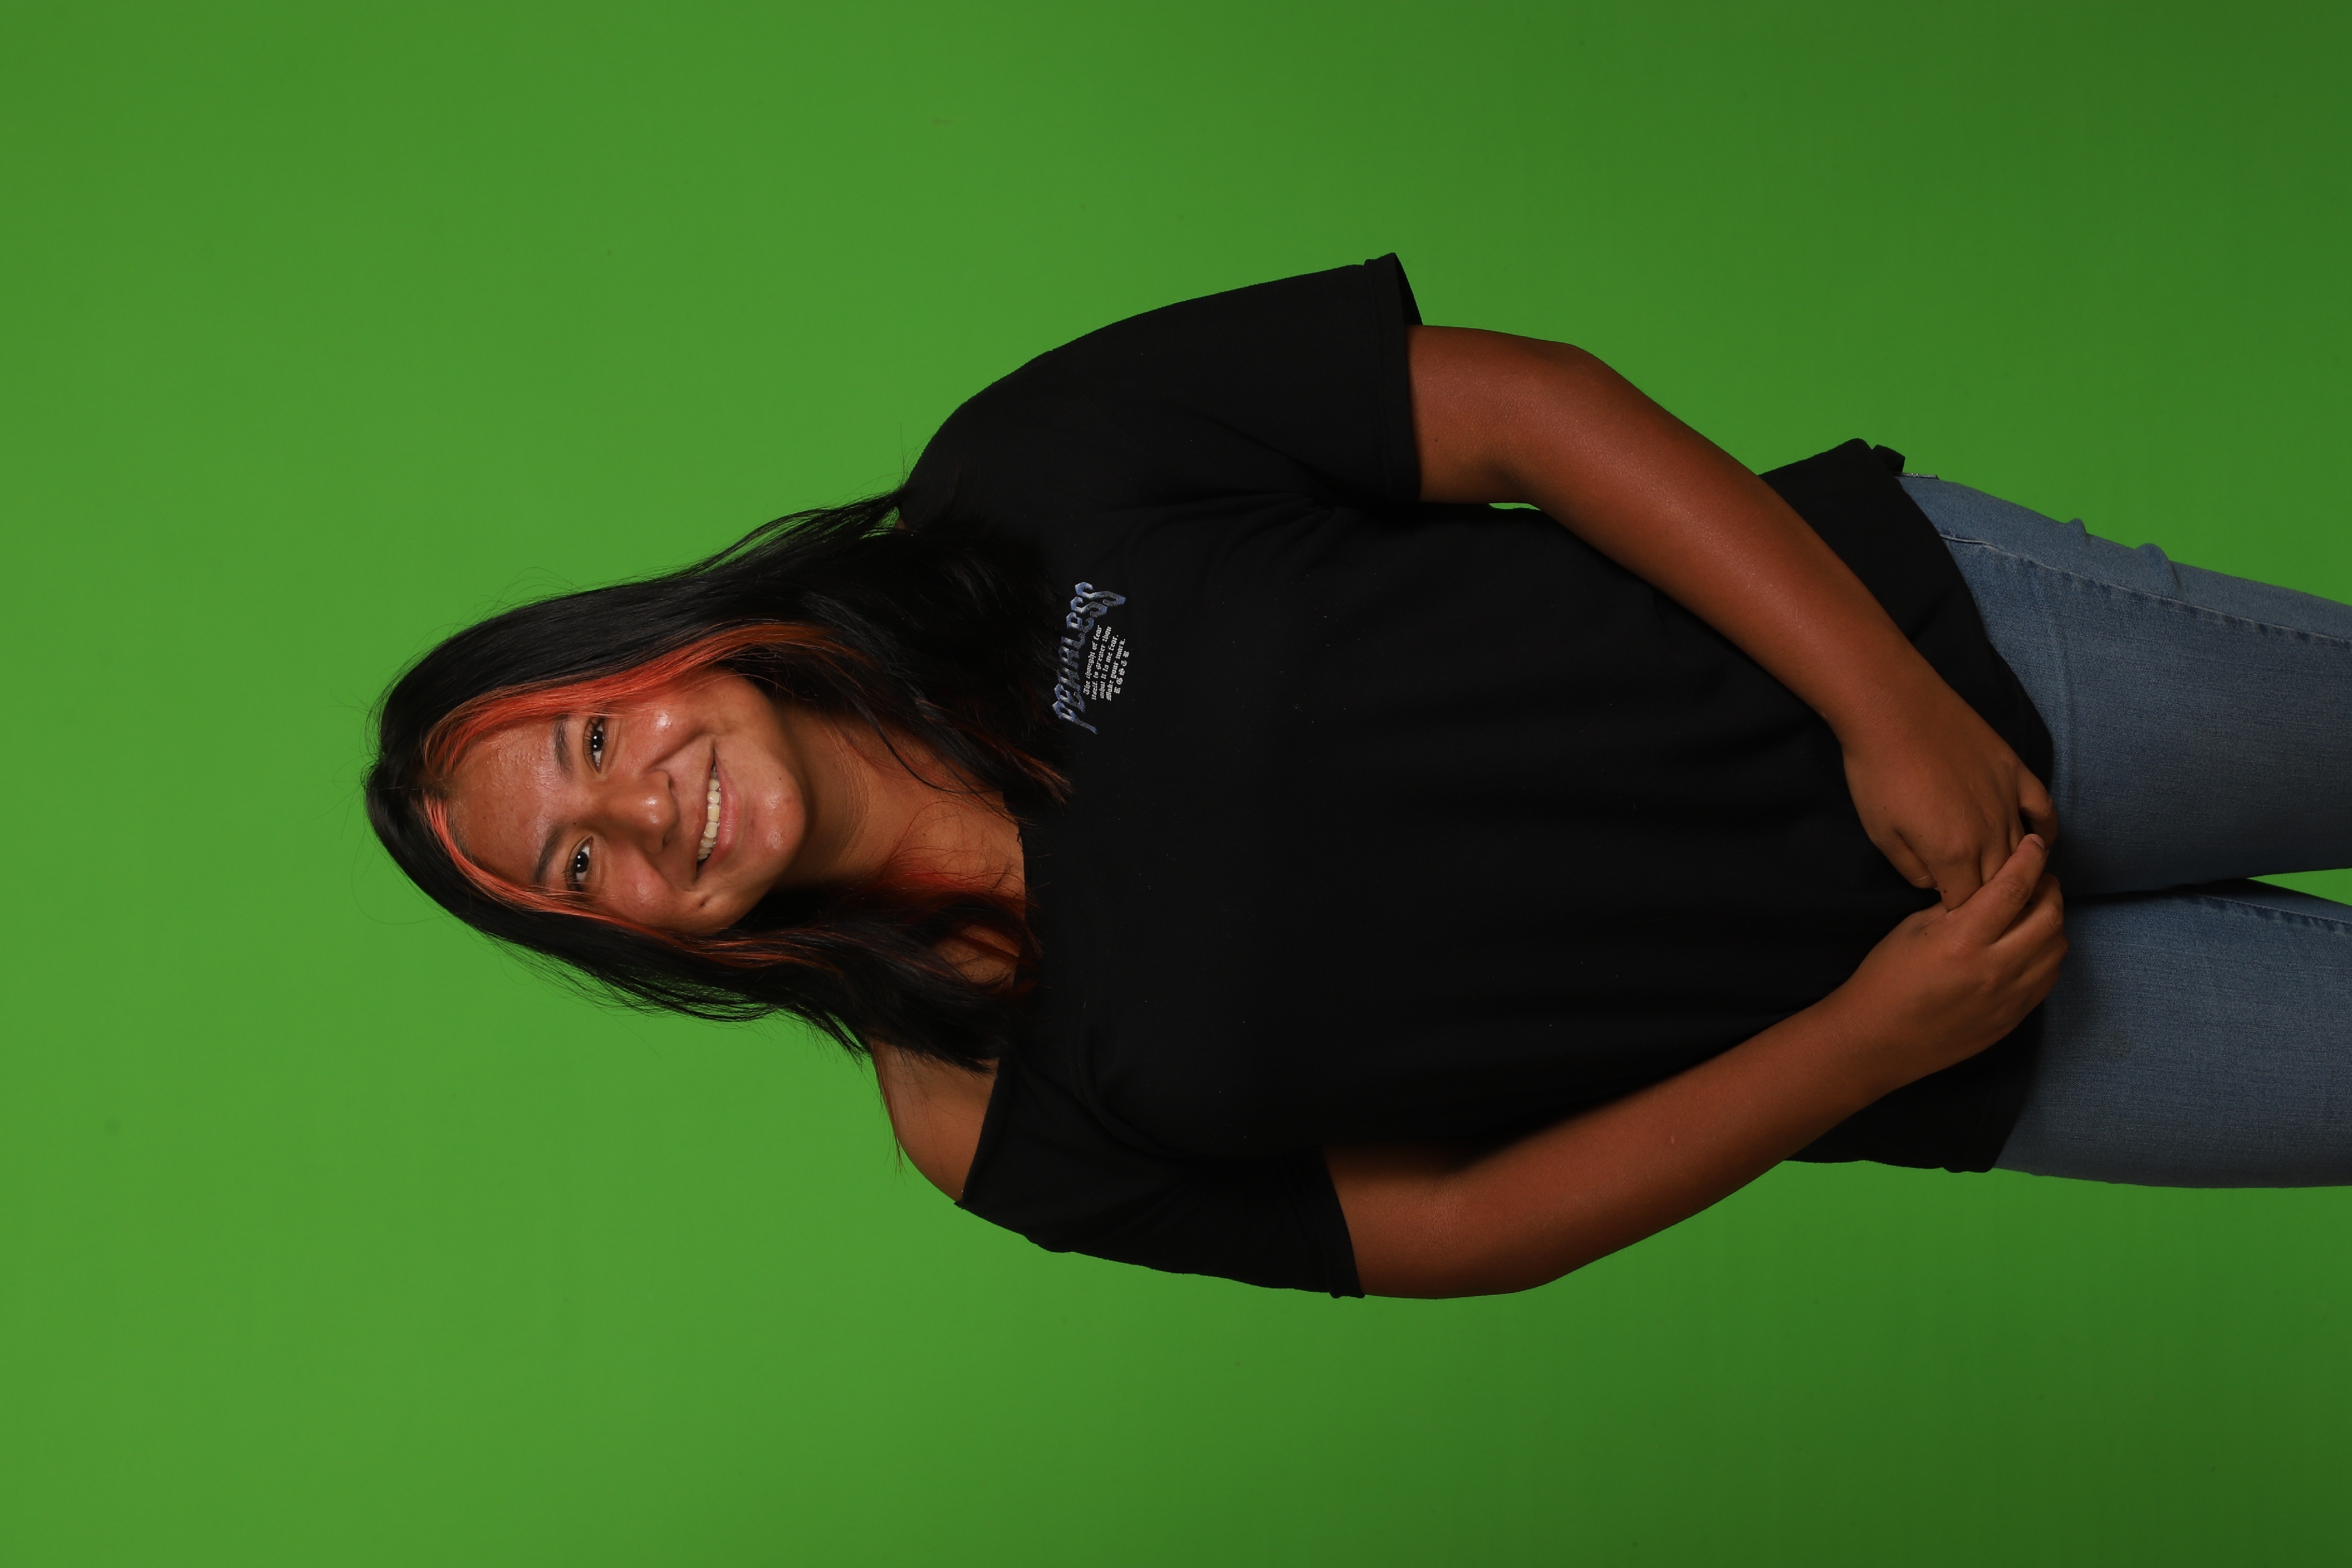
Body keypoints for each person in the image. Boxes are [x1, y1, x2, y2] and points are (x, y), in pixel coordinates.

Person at [366, 257, 2352, 1298]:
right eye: (580, 868)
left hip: (1964, 665)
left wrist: (1890, 714)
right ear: (627, 943)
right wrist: (1868, 1044)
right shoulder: (976, 1116)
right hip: (1969, 1039)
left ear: (657, 651)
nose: (640, 813)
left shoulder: (1024, 478)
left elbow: (1526, 412)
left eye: (592, 742)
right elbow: (1457, 1226)